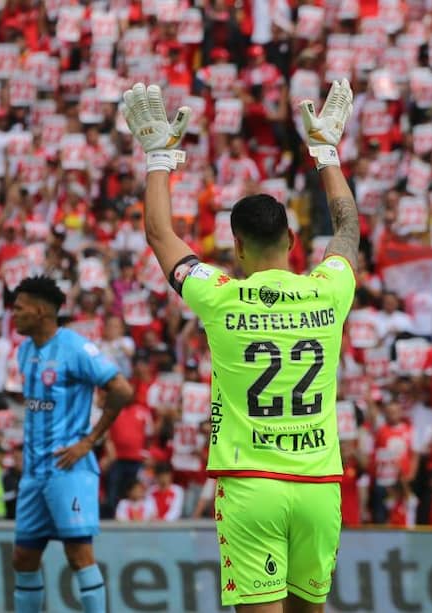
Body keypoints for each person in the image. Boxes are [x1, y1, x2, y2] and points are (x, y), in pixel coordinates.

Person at [121, 79, 359, 612]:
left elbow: (161, 236)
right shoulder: (331, 287)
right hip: (320, 483)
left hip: (252, 487)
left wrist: (160, 158)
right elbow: (348, 231)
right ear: (293, 243)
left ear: (236, 246)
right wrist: (327, 153)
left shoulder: (222, 297)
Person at [9, 275, 134, 613]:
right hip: (34, 473)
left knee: (78, 554)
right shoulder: (24, 352)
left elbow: (122, 389)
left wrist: (90, 441)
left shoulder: (76, 348)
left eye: (19, 308)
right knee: (23, 557)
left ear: (39, 310)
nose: (13, 314)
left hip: (69, 469)